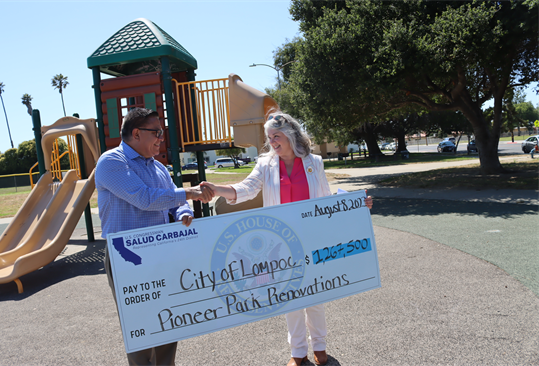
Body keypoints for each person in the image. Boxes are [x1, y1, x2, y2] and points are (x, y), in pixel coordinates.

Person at [202, 111, 373, 366]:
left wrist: (357, 204)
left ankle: (320, 346)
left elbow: (327, 200)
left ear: (291, 135)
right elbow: (246, 189)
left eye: (276, 136)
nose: (272, 142)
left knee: (315, 294)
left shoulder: (314, 162)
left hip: (312, 237)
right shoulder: (265, 165)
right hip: (281, 241)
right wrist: (218, 189)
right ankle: (298, 352)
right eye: (269, 138)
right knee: (289, 295)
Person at [95, 107, 213, 366]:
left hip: (161, 253)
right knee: (140, 324)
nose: (161, 138)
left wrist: (183, 212)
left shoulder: (158, 167)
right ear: (136, 133)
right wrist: (189, 194)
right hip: (128, 256)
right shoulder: (111, 162)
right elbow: (145, 199)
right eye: (156, 132)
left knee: (168, 319)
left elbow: (172, 200)